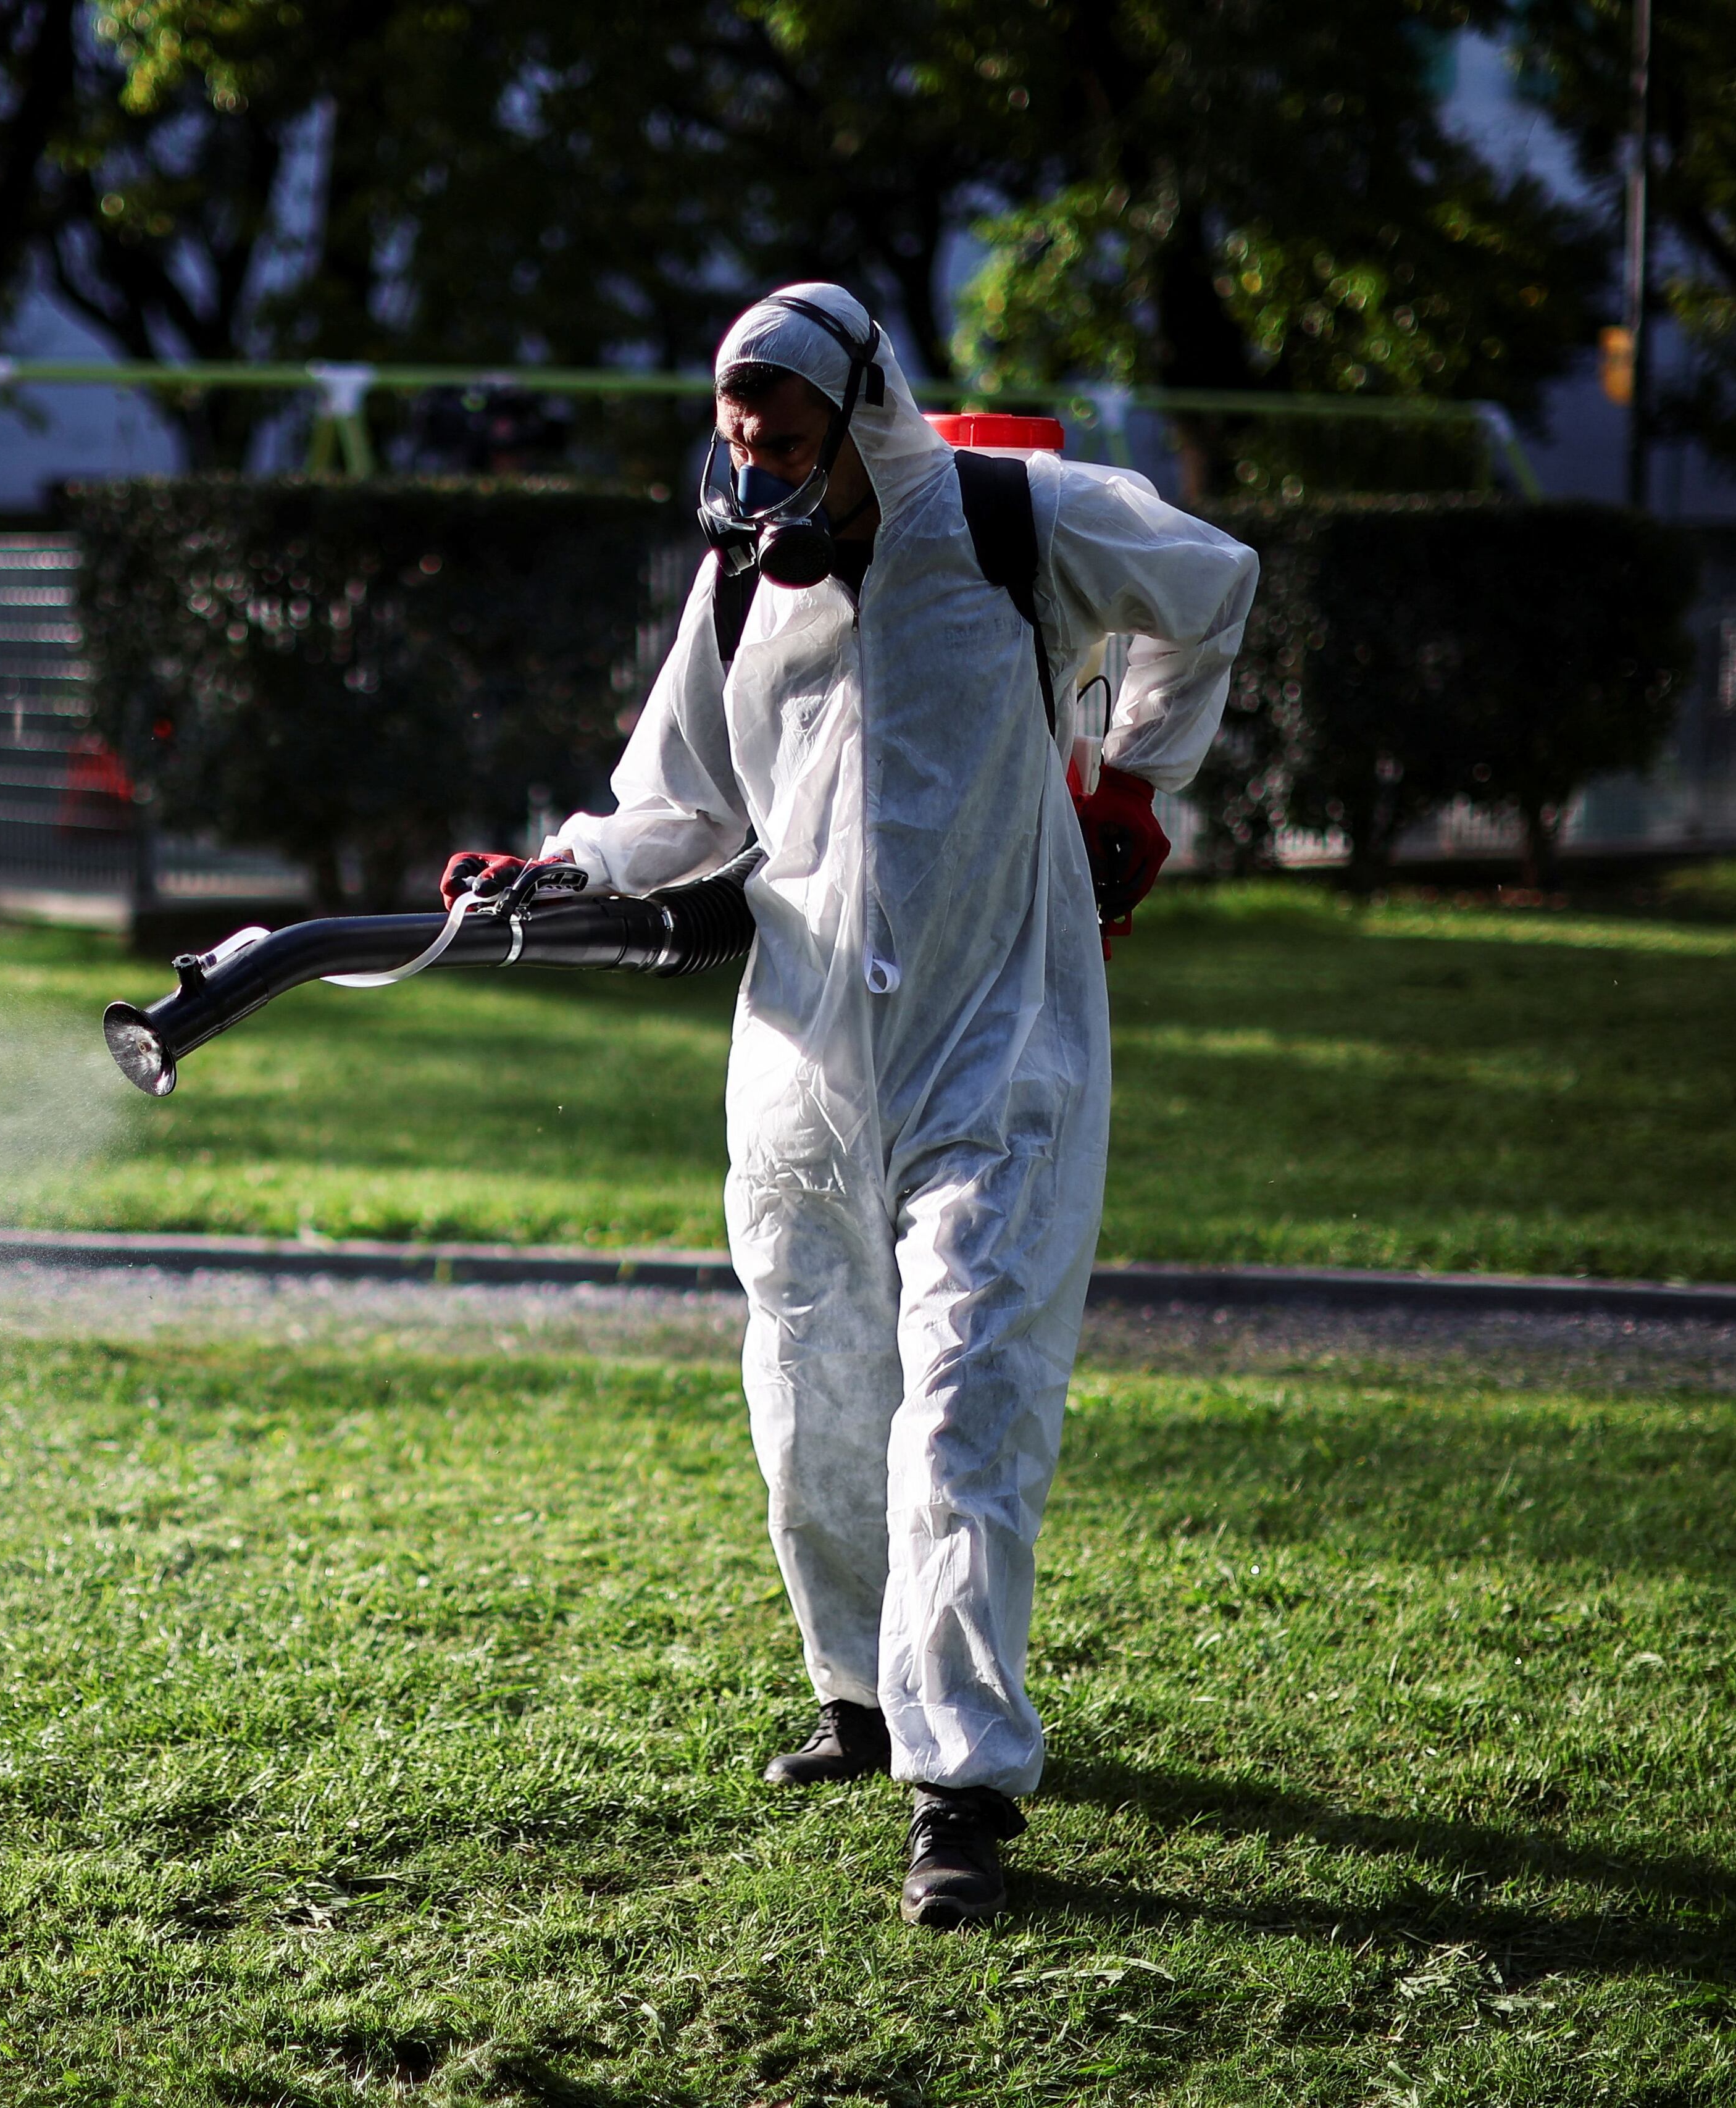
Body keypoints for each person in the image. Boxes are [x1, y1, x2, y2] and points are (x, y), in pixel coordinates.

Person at [445, 285, 1257, 1928]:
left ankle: (959, 1790)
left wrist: (1131, 779)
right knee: (812, 1390)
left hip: (997, 1044)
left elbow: (1213, 585)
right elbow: (678, 797)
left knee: (965, 1403)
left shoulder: (1016, 523)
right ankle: (860, 1696)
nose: (761, 481)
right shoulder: (743, 585)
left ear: (866, 416)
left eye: (791, 449)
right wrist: (562, 870)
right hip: (803, 1063)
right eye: (741, 446)